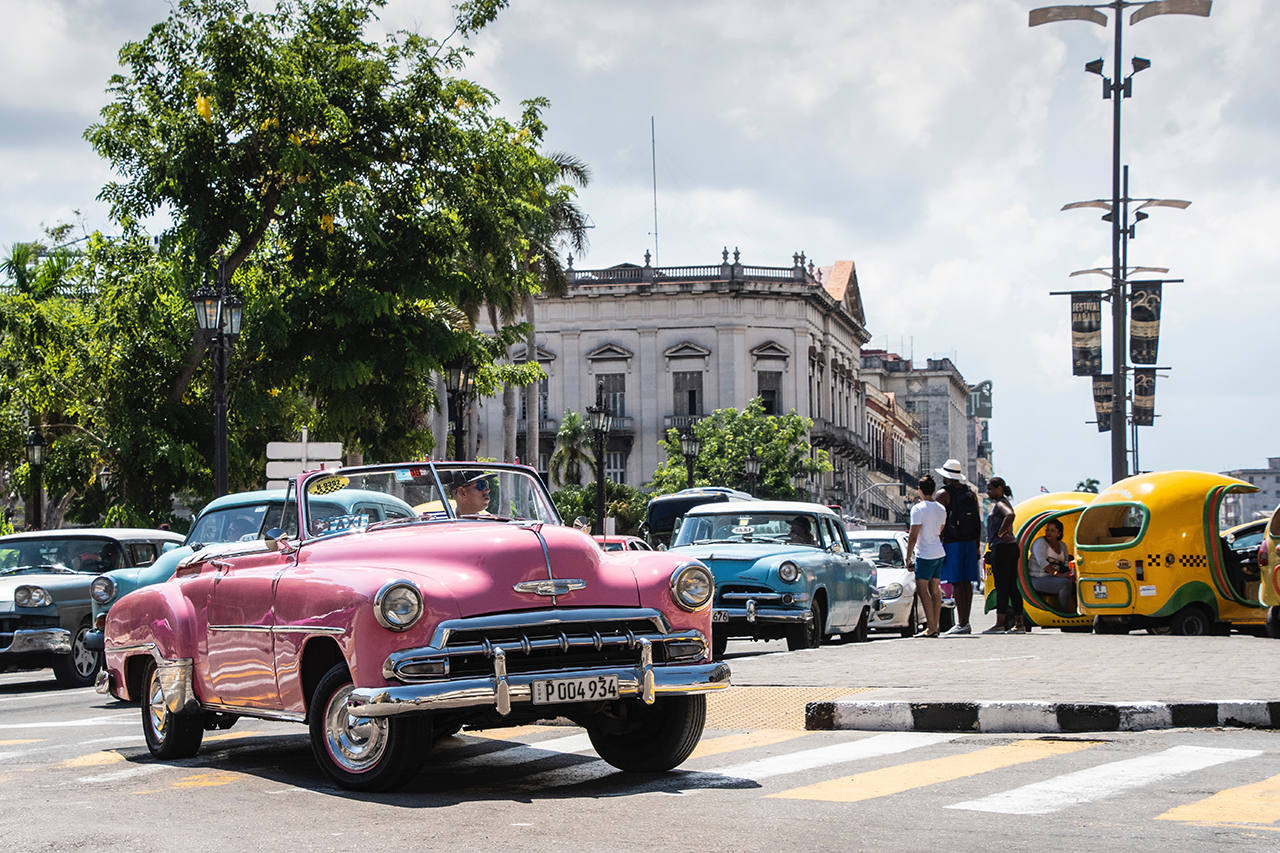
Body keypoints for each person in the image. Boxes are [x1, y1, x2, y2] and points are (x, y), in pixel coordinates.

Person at [934, 458, 982, 635]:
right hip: (970, 542)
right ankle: (965, 621)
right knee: (966, 583)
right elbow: (977, 520)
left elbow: (939, 521)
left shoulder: (942, 494)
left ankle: (962, 623)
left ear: (945, 477)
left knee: (956, 582)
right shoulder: (970, 493)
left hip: (952, 542)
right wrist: (977, 545)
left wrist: (937, 542)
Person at [905, 474, 947, 638]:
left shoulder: (918, 509)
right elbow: (941, 529)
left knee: (923, 590)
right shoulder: (941, 508)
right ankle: (935, 626)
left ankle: (930, 627)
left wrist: (908, 557)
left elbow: (913, 535)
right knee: (935, 590)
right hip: (938, 551)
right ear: (934, 490)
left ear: (919, 490)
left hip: (925, 553)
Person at [983, 476, 1022, 633]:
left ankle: (1000, 623)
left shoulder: (1000, 504)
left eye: (990, 489)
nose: (988, 492)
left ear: (999, 488)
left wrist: (1001, 532)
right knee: (1012, 586)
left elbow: (1010, 515)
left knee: (1002, 587)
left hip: (1003, 549)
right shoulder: (1001, 503)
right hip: (1009, 547)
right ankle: (1019, 623)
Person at [1029, 518, 1077, 614]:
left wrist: (1072, 572)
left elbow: (1066, 564)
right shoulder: (1040, 542)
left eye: (1052, 530)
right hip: (1038, 578)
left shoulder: (1062, 546)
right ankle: (1065, 612)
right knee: (1065, 584)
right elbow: (1043, 564)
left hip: (1054, 577)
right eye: (1047, 530)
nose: (1048, 533)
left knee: (1078, 583)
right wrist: (1060, 575)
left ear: (1059, 533)